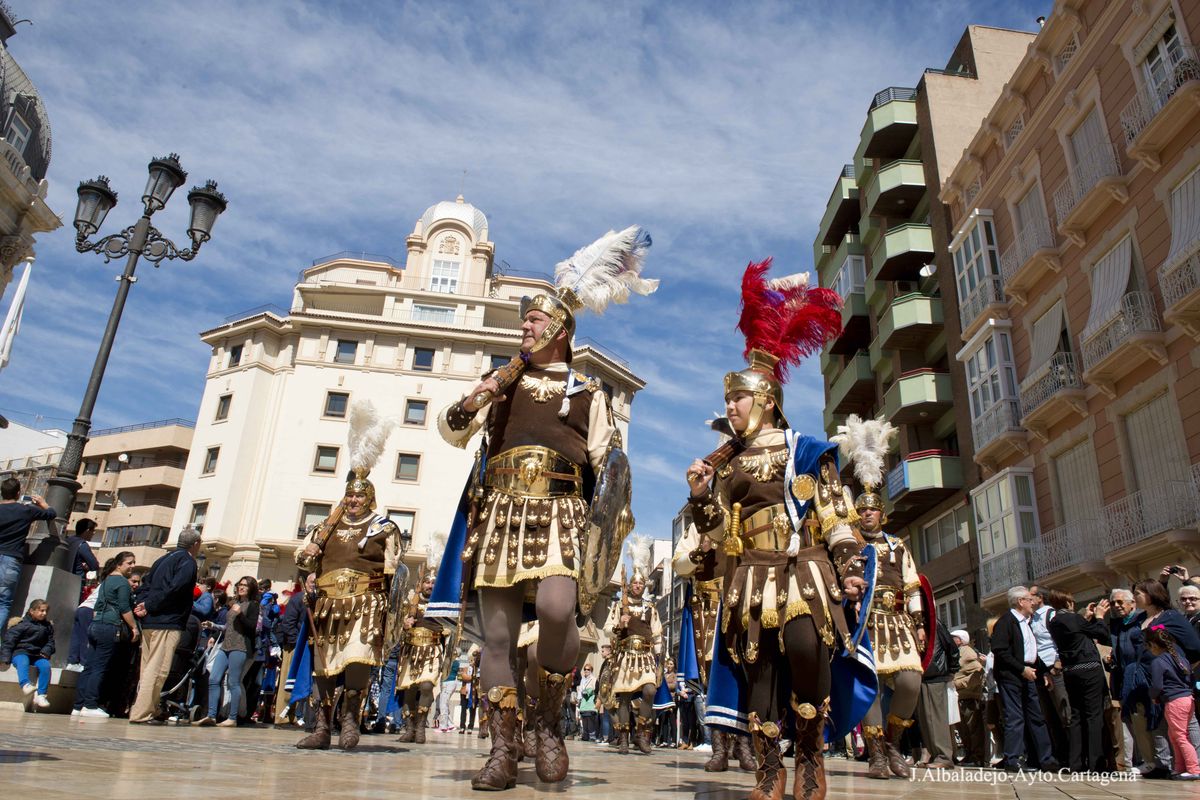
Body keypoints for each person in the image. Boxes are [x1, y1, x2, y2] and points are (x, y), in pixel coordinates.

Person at [434, 225, 655, 791]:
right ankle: (503, 748)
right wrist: (473, 398)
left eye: (533, 320)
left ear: (559, 327)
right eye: (525, 321)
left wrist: (612, 522)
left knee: (559, 612)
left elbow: (611, 467)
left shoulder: (587, 393)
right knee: (499, 637)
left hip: (561, 514)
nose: (524, 327)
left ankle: (549, 721)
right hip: (502, 511)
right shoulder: (502, 384)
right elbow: (451, 432)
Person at [685, 259, 854, 800]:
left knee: (806, 650)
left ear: (766, 400)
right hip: (753, 578)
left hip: (805, 570)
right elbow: (714, 532)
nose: (729, 406)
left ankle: (809, 756)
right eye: (729, 399)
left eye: (738, 398)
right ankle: (768, 770)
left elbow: (832, 511)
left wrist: (848, 566)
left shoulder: (805, 449)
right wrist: (698, 497)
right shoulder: (728, 465)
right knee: (758, 672)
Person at [294, 401, 405, 751]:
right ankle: (322, 726)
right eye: (350, 495)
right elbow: (303, 559)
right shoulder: (325, 528)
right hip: (328, 603)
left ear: (370, 498)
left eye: (361, 495)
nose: (354, 500)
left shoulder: (384, 527)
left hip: (365, 602)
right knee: (324, 667)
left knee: (356, 660)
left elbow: (395, 570)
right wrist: (307, 566)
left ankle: (351, 721)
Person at [826, 418, 928, 781]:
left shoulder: (897, 546)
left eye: (873, 509)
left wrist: (917, 625)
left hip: (897, 621)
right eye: (863, 509)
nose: (867, 513)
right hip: (863, 622)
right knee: (867, 684)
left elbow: (913, 586)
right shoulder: (850, 549)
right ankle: (876, 755)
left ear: (882, 513)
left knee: (909, 682)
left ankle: (894, 743)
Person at [672, 528, 755, 772]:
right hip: (706, 610)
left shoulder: (741, 509)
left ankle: (743, 744)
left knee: (745, 674)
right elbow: (679, 565)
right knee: (713, 679)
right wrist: (702, 550)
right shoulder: (699, 524)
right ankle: (719, 748)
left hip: (739, 597)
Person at [129, 527, 202, 724]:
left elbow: (145, 585)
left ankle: (149, 709)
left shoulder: (162, 560)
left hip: (150, 621)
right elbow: (176, 589)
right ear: (195, 544)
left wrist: (143, 605)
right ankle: (141, 713)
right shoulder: (187, 562)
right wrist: (150, 605)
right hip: (168, 622)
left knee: (147, 667)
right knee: (158, 669)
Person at [604, 538, 663, 755]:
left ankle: (642, 733)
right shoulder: (619, 606)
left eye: (640, 583)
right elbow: (607, 629)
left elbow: (657, 635)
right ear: (629, 585)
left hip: (645, 656)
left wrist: (660, 661)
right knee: (625, 696)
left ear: (644, 585)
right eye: (634, 583)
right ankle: (622, 738)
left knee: (649, 691)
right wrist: (620, 624)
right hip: (626, 656)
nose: (637, 586)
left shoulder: (650, 608)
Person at [1044, 589, 1110, 773]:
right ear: (1069, 603)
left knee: (1076, 716)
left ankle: (1076, 763)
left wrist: (1085, 617)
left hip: (1070, 671)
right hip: (1088, 668)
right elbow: (1101, 633)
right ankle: (1096, 763)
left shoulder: (1054, 622)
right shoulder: (1075, 619)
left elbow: (1077, 632)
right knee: (1093, 716)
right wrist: (1099, 616)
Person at [989, 586, 1055, 772]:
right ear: (1020, 602)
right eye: (1028, 598)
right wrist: (1021, 668)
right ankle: (1013, 759)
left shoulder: (1025, 623)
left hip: (1029, 674)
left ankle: (1045, 759)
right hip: (1011, 676)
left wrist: (1043, 672)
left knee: (1036, 717)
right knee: (1015, 718)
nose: (1032, 602)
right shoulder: (1006, 622)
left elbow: (1031, 652)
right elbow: (1000, 650)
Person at [72, 552, 139, 717]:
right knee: (100, 667)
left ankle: (78, 705)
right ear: (119, 564)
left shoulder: (106, 580)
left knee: (89, 666)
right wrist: (134, 628)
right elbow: (124, 607)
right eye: (129, 563)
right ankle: (90, 704)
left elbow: (97, 606)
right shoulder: (122, 583)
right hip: (110, 626)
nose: (132, 566)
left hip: (96, 625)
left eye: (133, 563)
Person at [195, 576, 260, 727]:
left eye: (245, 585)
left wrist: (240, 614)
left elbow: (252, 627)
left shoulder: (253, 605)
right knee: (213, 678)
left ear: (251, 588)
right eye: (240, 585)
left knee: (233, 682)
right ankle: (211, 715)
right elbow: (228, 627)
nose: (242, 587)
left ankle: (232, 717)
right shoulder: (235, 604)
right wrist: (214, 626)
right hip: (226, 645)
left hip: (240, 646)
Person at [395, 569, 445, 745]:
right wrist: (404, 624)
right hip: (411, 650)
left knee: (426, 686)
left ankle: (421, 727)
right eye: (427, 582)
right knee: (409, 688)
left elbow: (451, 629)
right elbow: (397, 623)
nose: (430, 585)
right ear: (421, 583)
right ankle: (410, 728)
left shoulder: (442, 604)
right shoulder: (410, 602)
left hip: (431, 650)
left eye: (433, 582)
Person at [1144, 625, 1200, 779]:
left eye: (1148, 646)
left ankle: (1194, 769)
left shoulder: (1158, 662)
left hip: (1174, 701)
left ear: (1154, 645)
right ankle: (1180, 767)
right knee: (1175, 735)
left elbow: (1156, 685)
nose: (1149, 650)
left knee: (1180, 736)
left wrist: (1153, 696)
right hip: (1188, 699)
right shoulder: (1180, 658)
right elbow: (1190, 680)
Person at [0, 479, 56, 628]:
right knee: (3, 603)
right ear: (18, 493)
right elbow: (51, 513)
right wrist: (43, 503)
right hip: (11, 560)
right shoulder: (26, 510)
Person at [1028, 585, 1070, 766]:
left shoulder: (1050, 615)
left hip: (1055, 669)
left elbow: (1060, 640)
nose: (1028, 600)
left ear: (1040, 598)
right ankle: (1059, 754)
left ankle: (1072, 755)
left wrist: (1057, 665)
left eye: (1031, 596)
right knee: (1049, 715)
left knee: (1064, 712)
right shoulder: (1031, 619)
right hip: (1041, 671)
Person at [275, 573, 316, 726]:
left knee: (300, 682)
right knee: (288, 680)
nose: (313, 584)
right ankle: (282, 717)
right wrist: (296, 643)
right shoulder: (298, 598)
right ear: (305, 583)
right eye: (311, 582)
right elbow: (288, 623)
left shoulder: (315, 600)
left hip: (307, 647)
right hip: (293, 646)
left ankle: (294, 716)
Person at [917, 621, 958, 769]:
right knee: (925, 719)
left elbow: (951, 647)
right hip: (921, 675)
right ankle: (934, 754)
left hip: (935, 674)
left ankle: (944, 756)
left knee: (936, 719)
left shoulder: (934, 623)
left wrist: (952, 669)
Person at [1, 598, 55, 708]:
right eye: (41, 610)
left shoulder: (47, 626)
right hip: (20, 652)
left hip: (36, 655)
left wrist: (46, 651)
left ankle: (41, 695)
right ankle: (25, 685)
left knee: (45, 666)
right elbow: (9, 641)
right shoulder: (20, 624)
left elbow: (50, 642)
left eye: (45, 611)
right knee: (23, 661)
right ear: (32, 611)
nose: (44, 613)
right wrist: (5, 658)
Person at [951, 630, 986, 768]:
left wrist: (959, 684)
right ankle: (969, 755)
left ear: (959, 640)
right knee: (963, 729)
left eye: (953, 638)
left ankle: (977, 757)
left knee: (973, 729)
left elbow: (978, 673)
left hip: (969, 698)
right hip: (960, 697)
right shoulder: (958, 652)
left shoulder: (967, 652)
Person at [66, 518, 100, 591]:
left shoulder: (67, 541)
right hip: (76, 583)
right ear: (87, 530)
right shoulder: (82, 545)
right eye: (93, 530)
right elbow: (94, 565)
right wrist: (86, 567)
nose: (94, 533)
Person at [459, 647, 480, 734]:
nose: (472, 662)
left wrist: (475, 678)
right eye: (471, 660)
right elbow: (463, 676)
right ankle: (462, 727)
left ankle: (470, 727)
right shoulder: (465, 668)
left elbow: (479, 679)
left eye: (474, 660)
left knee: (473, 710)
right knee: (463, 710)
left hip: (474, 692)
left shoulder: (478, 670)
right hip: (465, 692)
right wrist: (473, 678)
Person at [578, 661, 597, 741]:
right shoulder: (582, 679)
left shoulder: (594, 679)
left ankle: (592, 736)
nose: (586, 671)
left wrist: (588, 691)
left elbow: (595, 689)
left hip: (590, 702)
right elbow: (580, 690)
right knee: (584, 720)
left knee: (590, 720)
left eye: (588, 669)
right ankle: (585, 736)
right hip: (583, 702)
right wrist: (579, 700)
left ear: (591, 671)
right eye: (585, 669)